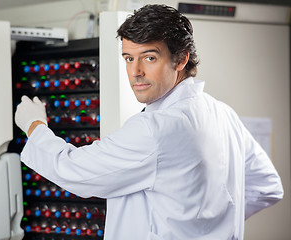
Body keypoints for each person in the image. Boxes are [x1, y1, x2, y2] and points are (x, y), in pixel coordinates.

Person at [15, 4, 283, 240]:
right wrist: (211, 227)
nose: (135, 72)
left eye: (150, 58)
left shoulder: (155, 129)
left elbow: (74, 171)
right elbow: (267, 186)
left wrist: (35, 125)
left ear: (181, 59)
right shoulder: (222, 113)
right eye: (129, 58)